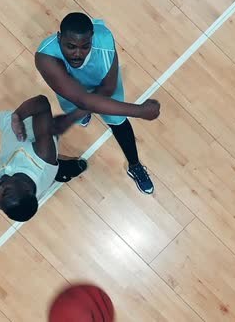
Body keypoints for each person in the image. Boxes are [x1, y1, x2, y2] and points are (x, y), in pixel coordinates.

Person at [34, 12, 159, 194]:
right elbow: (82, 99)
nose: (78, 54)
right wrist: (140, 111)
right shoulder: (45, 56)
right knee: (82, 107)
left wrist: (73, 116)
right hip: (72, 91)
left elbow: (108, 88)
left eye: (85, 46)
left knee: (119, 122)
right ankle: (82, 117)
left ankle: (135, 165)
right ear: (59, 37)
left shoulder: (104, 40)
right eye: (70, 46)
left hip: (100, 86)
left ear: (92, 39)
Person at [0, 95, 87, 222]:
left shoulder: (4, 201)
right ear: (26, 188)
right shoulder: (43, 155)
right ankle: (62, 168)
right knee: (49, 137)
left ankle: (60, 170)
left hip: (10, 133)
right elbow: (42, 103)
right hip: (32, 131)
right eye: (5, 191)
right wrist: (17, 116)